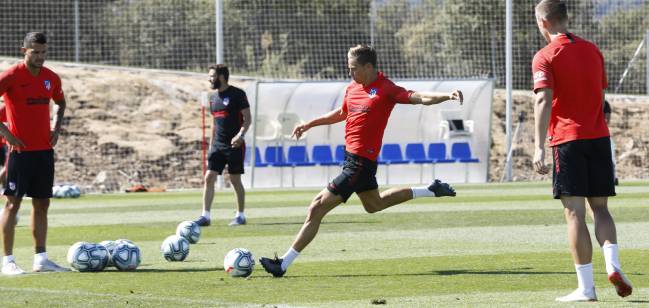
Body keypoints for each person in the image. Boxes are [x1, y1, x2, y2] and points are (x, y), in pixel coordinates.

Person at [259, 44, 462, 277]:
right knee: (373, 205)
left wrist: (447, 95)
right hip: (352, 160)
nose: (350, 73)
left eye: (354, 68)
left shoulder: (386, 88)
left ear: (368, 67)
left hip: (360, 164)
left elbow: (419, 97)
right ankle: (430, 190)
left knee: (316, 207)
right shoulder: (353, 87)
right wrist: (309, 124)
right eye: (349, 68)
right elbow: (341, 113)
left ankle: (282, 264)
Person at [531, 1, 632, 302]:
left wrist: (537, 146)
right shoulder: (592, 50)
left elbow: (543, 101)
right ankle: (613, 265)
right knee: (600, 209)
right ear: (565, 18)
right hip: (599, 138)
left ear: (543, 23)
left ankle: (586, 288)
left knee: (574, 213)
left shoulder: (545, 56)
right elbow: (600, 96)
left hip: (567, 140)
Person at [0, 32, 68, 275]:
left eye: (43, 52)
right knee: (12, 204)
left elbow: (60, 103)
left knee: (42, 204)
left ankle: (41, 259)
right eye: (35, 52)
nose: (40, 57)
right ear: (24, 51)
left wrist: (56, 127)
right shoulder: (11, 76)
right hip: (19, 152)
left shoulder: (51, 78)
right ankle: (7, 261)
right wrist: (7, 135)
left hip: (44, 152)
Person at [194, 64, 251, 227]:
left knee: (235, 180)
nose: (209, 79)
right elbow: (215, 123)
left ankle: (240, 216)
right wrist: (212, 145)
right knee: (209, 177)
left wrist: (241, 135)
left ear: (221, 77)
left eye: (211, 76)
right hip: (217, 146)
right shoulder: (213, 98)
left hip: (234, 145)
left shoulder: (238, 94)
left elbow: (248, 118)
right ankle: (205, 216)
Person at [602, 100, 618, 185]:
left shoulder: (605, 103)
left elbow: (607, 120)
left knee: (611, 158)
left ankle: (613, 178)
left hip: (602, 134)